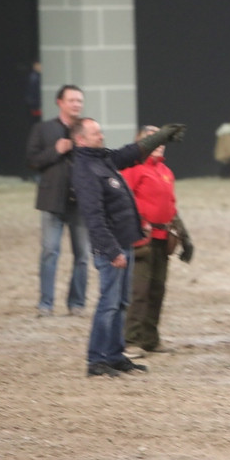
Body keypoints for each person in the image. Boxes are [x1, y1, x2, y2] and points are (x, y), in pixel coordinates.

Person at [71, 118, 186, 377]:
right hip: (112, 248)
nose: (101, 136)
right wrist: (112, 251)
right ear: (80, 139)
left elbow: (131, 153)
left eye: (100, 131)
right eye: (95, 133)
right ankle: (96, 360)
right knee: (109, 304)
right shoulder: (85, 169)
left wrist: (160, 136)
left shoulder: (101, 159)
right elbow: (94, 217)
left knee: (121, 302)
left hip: (125, 242)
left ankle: (114, 355)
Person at [119, 125, 195, 358]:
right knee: (139, 291)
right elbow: (121, 200)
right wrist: (136, 224)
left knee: (156, 290)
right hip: (142, 240)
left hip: (163, 239)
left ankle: (150, 338)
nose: (160, 143)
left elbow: (171, 208)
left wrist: (185, 236)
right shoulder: (132, 168)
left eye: (162, 140)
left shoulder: (165, 171)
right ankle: (130, 341)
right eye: (154, 140)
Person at [25, 85, 90, 318]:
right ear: (59, 102)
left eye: (79, 101)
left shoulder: (87, 129)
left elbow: (99, 158)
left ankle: (77, 303)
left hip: (80, 203)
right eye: (72, 100)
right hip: (52, 201)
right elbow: (32, 161)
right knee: (50, 251)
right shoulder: (43, 129)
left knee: (83, 255)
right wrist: (56, 150)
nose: (77, 104)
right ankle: (46, 303)